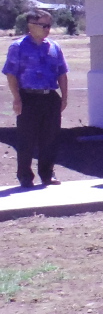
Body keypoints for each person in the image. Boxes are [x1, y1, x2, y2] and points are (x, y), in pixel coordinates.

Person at [3, 9, 69, 188]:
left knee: (50, 138)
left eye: (49, 25)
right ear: (31, 26)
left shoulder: (54, 47)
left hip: (50, 97)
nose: (48, 29)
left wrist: (64, 97)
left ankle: (47, 174)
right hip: (28, 97)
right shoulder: (18, 47)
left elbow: (62, 73)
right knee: (27, 139)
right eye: (44, 25)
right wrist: (16, 97)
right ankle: (25, 175)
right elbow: (11, 74)